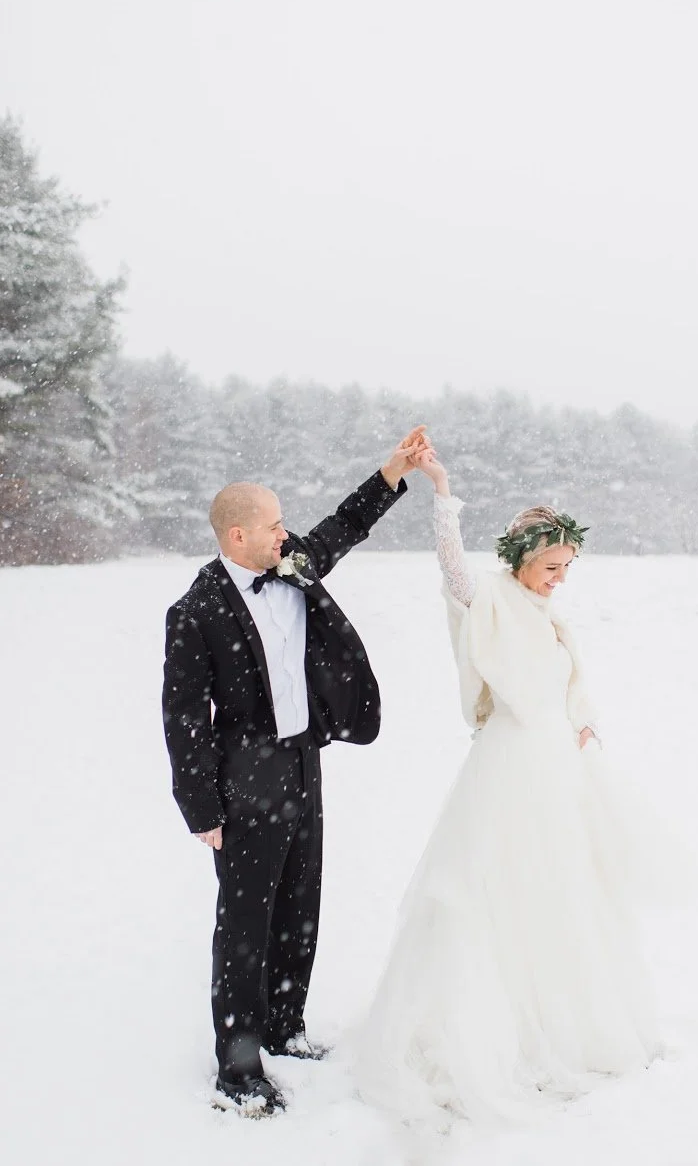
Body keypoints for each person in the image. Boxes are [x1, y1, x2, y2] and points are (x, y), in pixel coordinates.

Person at [353, 447, 662, 1125]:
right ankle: (483, 1031)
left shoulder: (551, 616)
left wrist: (580, 723)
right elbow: (451, 565)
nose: (559, 580)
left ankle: (561, 1016)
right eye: (551, 568)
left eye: (566, 570)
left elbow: (564, 685)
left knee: (561, 891)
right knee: (490, 891)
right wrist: (442, 489)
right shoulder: (489, 596)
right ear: (521, 559)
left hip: (555, 768)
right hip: (507, 770)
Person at [162, 427, 427, 1117]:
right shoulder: (195, 612)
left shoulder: (294, 564)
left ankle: (284, 1027)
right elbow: (183, 716)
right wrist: (203, 811)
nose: (287, 532)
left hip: (303, 763)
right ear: (238, 535)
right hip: (242, 776)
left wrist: (393, 471)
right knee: (245, 922)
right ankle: (239, 1066)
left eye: (285, 523)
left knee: (299, 907)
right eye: (274, 524)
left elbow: (347, 523)